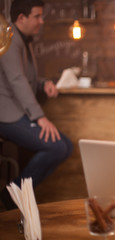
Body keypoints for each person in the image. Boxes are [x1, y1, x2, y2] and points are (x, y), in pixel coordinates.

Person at [0, 0, 73, 210]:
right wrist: (39, 117)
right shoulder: (9, 37)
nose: (42, 21)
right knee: (58, 147)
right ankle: (11, 195)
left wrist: (43, 83)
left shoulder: (25, 39)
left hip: (17, 111)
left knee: (65, 147)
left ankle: (13, 194)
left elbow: (25, 77)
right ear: (21, 18)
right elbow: (16, 80)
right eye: (37, 16)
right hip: (6, 115)